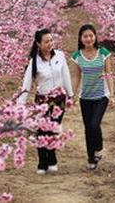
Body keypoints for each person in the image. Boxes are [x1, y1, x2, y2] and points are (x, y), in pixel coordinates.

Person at [18, 28, 74, 174]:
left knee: (52, 129)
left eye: (51, 40)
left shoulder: (60, 56)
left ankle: (52, 158)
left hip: (59, 100)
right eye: (46, 41)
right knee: (42, 131)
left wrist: (71, 94)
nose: (50, 43)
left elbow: (65, 75)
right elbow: (26, 83)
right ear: (38, 44)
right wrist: (20, 104)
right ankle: (43, 161)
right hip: (42, 100)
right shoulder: (34, 62)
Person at [71, 24, 115, 170]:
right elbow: (77, 77)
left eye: (91, 35)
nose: (88, 39)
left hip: (102, 95)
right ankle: (91, 158)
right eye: (85, 36)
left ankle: (99, 147)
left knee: (94, 125)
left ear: (95, 36)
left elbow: (109, 75)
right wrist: (73, 95)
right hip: (85, 97)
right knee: (87, 128)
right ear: (80, 38)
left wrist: (112, 95)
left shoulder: (103, 53)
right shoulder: (77, 56)